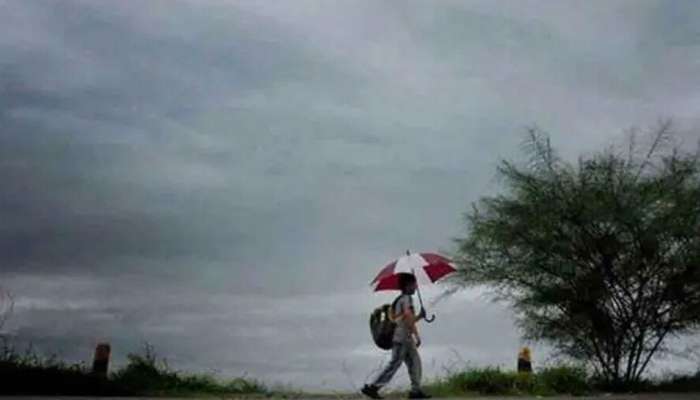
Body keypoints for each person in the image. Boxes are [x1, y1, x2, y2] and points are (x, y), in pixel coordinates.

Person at [362, 273, 431, 399]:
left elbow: (405, 319)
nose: (416, 286)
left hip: (405, 338)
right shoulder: (406, 299)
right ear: (408, 285)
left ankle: (415, 391)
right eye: (414, 284)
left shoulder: (400, 300)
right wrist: (417, 335)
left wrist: (420, 316)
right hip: (402, 339)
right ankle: (372, 387)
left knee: (415, 363)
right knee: (394, 363)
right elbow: (408, 317)